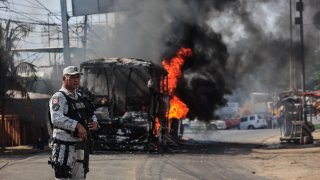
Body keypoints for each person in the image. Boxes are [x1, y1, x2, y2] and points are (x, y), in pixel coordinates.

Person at [48, 66, 98, 179]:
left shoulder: (80, 97)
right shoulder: (59, 97)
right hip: (64, 147)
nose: (76, 80)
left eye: (78, 77)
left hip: (80, 147)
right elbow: (56, 118)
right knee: (63, 177)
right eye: (72, 77)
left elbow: (91, 114)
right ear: (64, 78)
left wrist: (95, 123)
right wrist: (77, 125)